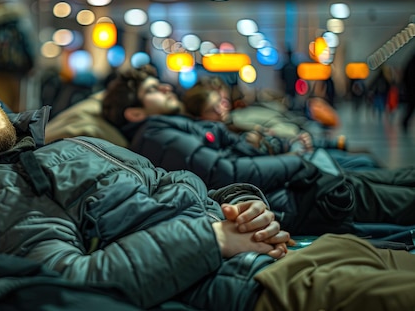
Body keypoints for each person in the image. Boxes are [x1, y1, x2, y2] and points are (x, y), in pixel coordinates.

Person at [0, 46, 415, 310]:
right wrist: (215, 238)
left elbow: (184, 190)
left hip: (285, 254)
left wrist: (240, 209)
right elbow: (67, 282)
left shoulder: (60, 146)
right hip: (254, 289)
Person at [102, 67, 415, 236]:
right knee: (401, 199)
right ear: (135, 113)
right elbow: (227, 173)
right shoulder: (157, 135)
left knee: (399, 181)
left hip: (301, 189)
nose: (167, 87)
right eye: (152, 90)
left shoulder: (174, 127)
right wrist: (293, 161)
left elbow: (235, 153)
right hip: (298, 198)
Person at [182, 75, 380, 170]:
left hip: (303, 153)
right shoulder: (229, 130)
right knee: (366, 164)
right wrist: (292, 152)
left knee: (367, 162)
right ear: (201, 113)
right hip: (299, 163)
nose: (222, 106)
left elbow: (286, 132)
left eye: (223, 100)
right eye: (215, 104)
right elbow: (268, 155)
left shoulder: (239, 119)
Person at [401, 52, 415, 132]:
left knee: (410, 108)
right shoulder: (412, 64)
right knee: (410, 108)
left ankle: (405, 122)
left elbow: (405, 78)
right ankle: (405, 122)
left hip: (411, 91)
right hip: (412, 90)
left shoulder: (409, 63)